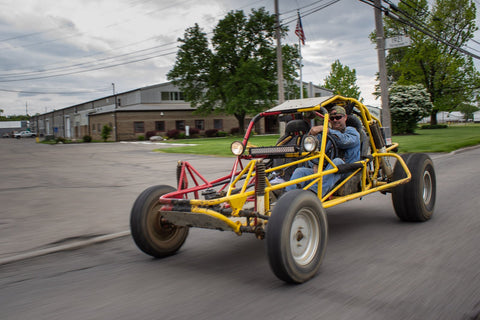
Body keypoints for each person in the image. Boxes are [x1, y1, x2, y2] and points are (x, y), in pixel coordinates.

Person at [285, 105, 361, 196]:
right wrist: (315, 164)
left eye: (338, 117)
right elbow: (316, 151)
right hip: (326, 171)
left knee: (337, 161)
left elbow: (344, 142)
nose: (335, 120)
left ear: (345, 118)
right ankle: (287, 196)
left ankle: (313, 194)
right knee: (300, 171)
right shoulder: (325, 135)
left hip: (346, 171)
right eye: (332, 118)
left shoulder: (352, 132)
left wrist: (326, 130)